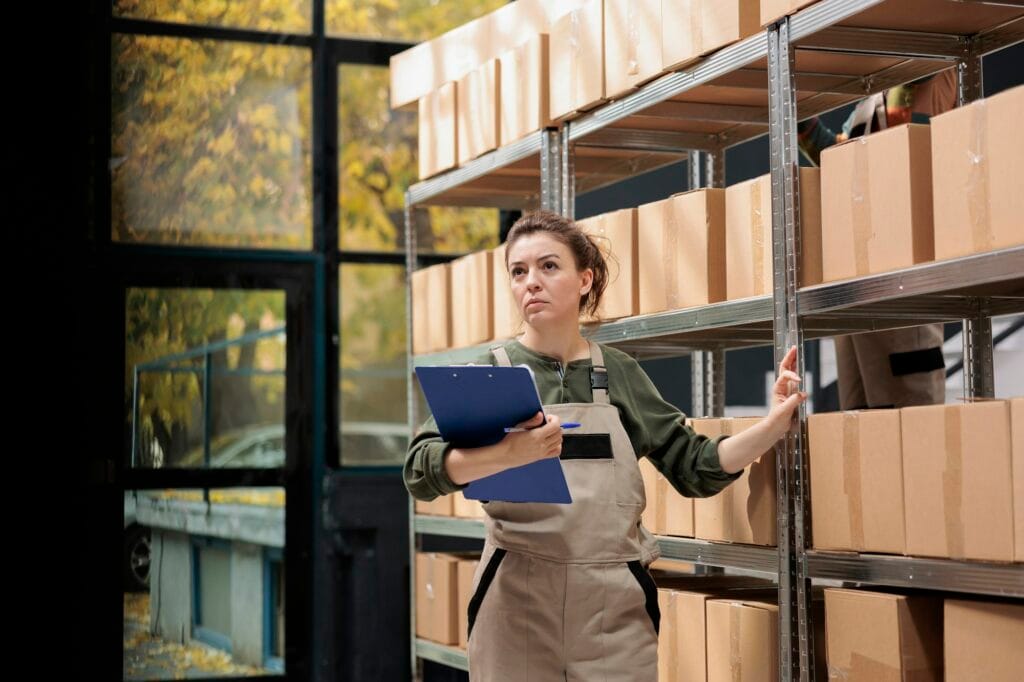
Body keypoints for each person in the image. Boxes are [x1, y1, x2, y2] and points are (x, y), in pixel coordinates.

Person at [404, 210, 808, 680]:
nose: (530, 282)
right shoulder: (488, 374)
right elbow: (420, 470)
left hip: (612, 600)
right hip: (516, 597)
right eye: (519, 271)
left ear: (584, 279)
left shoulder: (617, 373)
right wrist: (508, 454)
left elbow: (693, 465)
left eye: (548, 266)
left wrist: (770, 426)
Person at [798, 70, 957, 409]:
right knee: (863, 422)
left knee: (911, 416)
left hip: (902, 274)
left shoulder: (933, 73)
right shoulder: (871, 93)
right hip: (858, 275)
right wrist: (802, 122)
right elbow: (840, 156)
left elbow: (900, 139)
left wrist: (894, 73)